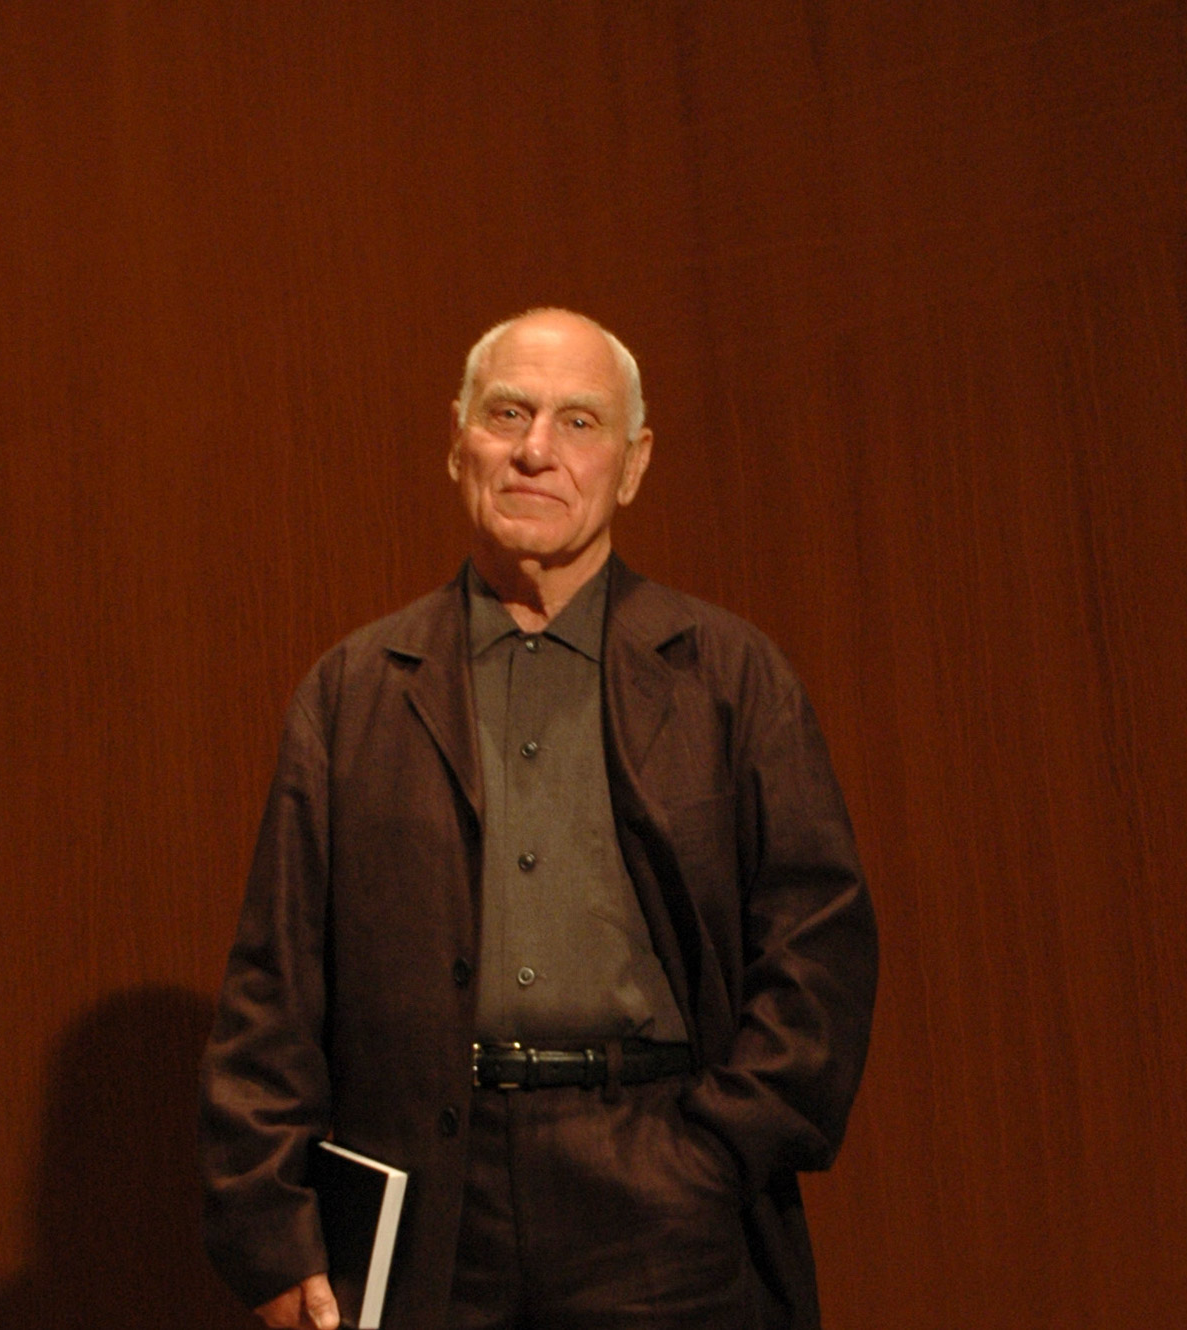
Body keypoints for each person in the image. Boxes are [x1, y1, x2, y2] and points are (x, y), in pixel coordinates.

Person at [200, 308, 877, 1329]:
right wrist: (271, 1229)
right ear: (457, 442)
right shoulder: (354, 693)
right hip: (434, 1203)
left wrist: (711, 1154)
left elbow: (819, 953)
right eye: (507, 412)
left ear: (635, 463)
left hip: (662, 1197)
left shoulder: (728, 677)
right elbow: (276, 982)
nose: (534, 449)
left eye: (579, 422)